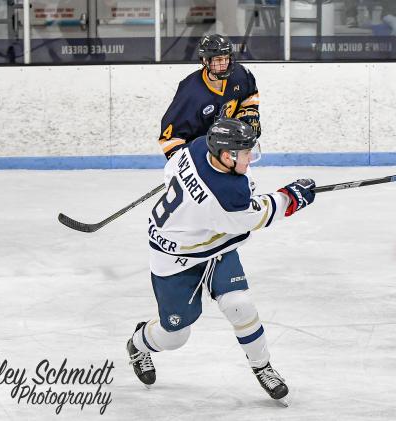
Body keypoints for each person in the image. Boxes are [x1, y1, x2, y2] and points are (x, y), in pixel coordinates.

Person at [127, 118, 316, 405]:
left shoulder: (200, 146)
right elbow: (257, 214)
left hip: (213, 244)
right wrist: (292, 197)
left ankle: (262, 366)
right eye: (245, 154)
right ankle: (138, 343)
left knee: (239, 304)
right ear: (226, 156)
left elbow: (171, 171)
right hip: (174, 258)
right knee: (175, 336)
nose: (250, 157)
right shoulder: (226, 195)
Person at [158, 33, 261, 160]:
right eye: (218, 60)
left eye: (226, 58)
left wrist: (249, 116)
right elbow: (169, 138)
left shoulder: (240, 75)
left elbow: (250, 95)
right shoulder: (190, 92)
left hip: (228, 149)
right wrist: (185, 163)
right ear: (205, 61)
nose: (224, 63)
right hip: (201, 153)